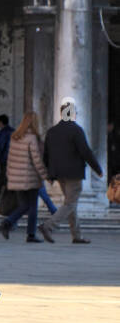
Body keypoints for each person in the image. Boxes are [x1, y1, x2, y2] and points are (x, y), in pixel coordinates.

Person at [40, 96, 103, 245]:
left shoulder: (52, 131)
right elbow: (85, 152)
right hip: (74, 174)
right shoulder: (76, 130)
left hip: (59, 174)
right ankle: (48, 226)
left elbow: (46, 155)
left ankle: (77, 235)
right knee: (70, 203)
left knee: (70, 203)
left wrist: (49, 174)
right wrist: (97, 169)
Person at [0, 111, 49, 243]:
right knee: (32, 206)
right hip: (30, 178)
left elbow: (10, 160)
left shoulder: (14, 137)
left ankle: (8, 222)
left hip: (16, 178)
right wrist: (45, 175)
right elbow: (37, 160)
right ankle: (30, 234)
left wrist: (10, 176)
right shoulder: (32, 138)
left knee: (24, 205)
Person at [0, 114, 12, 203]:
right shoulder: (13, 131)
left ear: (0, 122)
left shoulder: (3, 132)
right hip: (11, 158)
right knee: (3, 178)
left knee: (2, 178)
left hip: (4, 159)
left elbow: (1, 146)